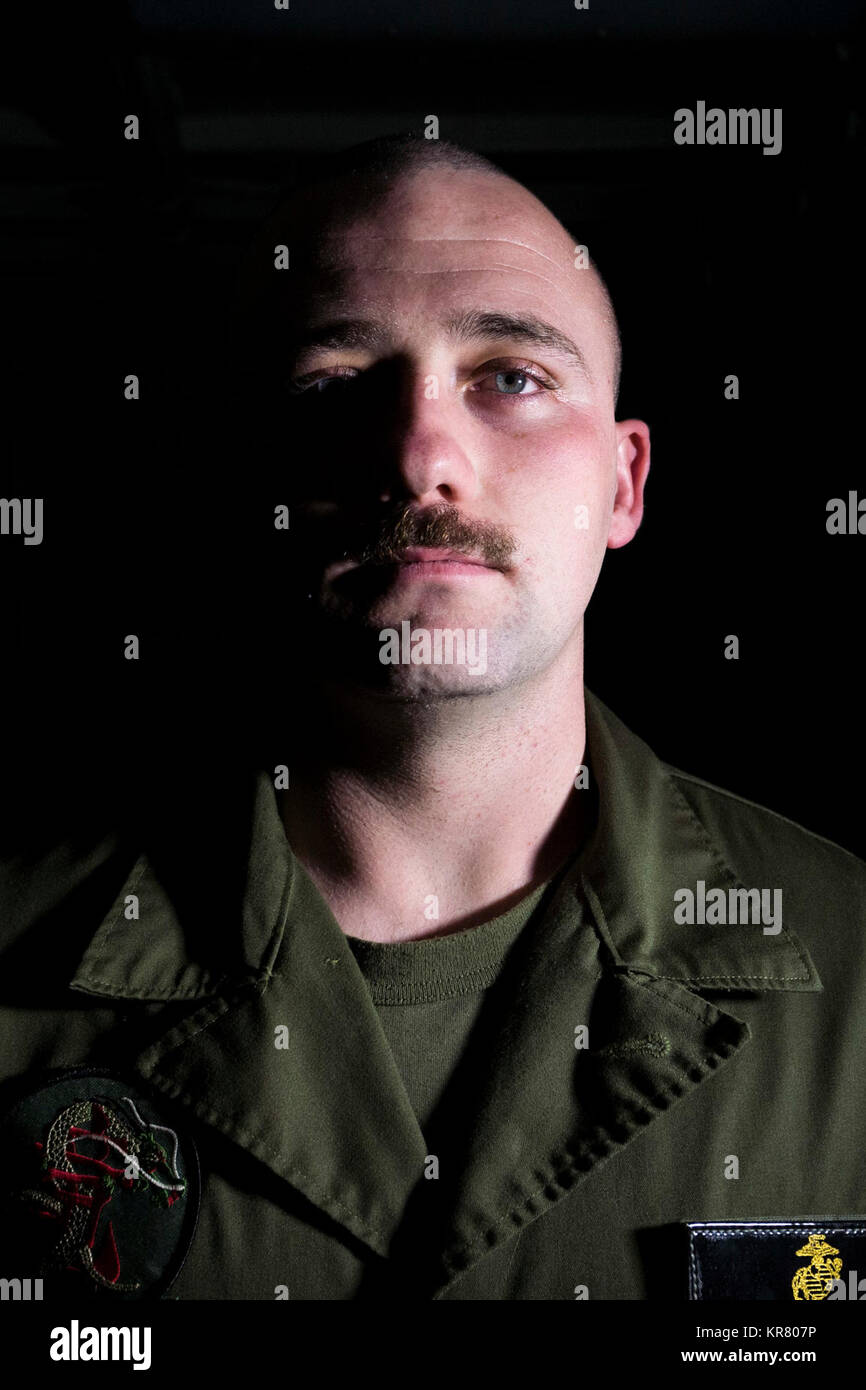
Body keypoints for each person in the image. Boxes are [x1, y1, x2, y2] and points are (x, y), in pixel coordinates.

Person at [1, 136, 864, 1302]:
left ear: (624, 484)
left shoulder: (852, 977)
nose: (419, 455)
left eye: (510, 375)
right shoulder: (19, 968)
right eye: (331, 387)